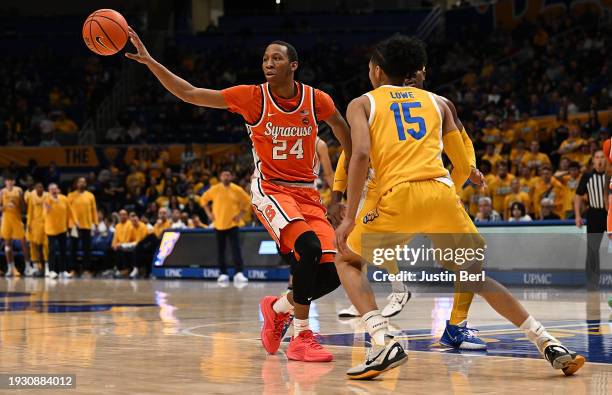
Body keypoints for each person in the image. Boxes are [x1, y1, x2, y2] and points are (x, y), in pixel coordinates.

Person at [334, 35, 584, 380]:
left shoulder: (361, 103)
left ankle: (382, 339)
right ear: (415, 70)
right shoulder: (440, 103)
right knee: (475, 278)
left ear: (376, 71)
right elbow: (464, 165)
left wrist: (349, 216)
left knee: (346, 258)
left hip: (398, 196)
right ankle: (548, 342)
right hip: (442, 192)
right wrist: (444, 191)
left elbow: (358, 154)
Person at [126, 28, 351, 361]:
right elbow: (190, 93)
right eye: (265, 59)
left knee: (332, 275)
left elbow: (343, 130)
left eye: (276, 58)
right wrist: (151, 62)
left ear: (294, 65)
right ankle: (302, 337)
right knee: (308, 247)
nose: (268, 63)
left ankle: (276, 308)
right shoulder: (251, 96)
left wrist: (344, 186)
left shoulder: (317, 99)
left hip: (306, 193)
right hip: (271, 188)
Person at [200, 170, 250, 284]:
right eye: (223, 175)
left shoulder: (237, 189)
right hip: (218, 224)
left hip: (233, 224)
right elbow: (203, 199)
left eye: (228, 175)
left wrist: (240, 215)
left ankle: (239, 273)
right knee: (220, 251)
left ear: (231, 177)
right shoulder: (215, 189)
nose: (226, 177)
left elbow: (248, 201)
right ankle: (223, 273)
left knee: (236, 249)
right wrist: (208, 213)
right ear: (220, 177)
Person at [574, 150, 609, 290]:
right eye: (597, 157)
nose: (599, 160)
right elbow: (578, 196)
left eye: (602, 157)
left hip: (610, 215)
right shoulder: (587, 176)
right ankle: (592, 283)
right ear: (593, 160)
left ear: (606, 160)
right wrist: (577, 215)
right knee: (593, 249)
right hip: (594, 214)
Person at [0, 174, 31, 276]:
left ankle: (27, 267)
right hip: (6, 221)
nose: (9, 182)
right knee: (7, 245)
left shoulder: (19, 190)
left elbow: (23, 208)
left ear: (14, 182)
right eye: (8, 180)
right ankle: (11, 268)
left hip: (17, 220)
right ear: (5, 182)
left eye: (11, 180)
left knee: (24, 243)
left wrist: (19, 202)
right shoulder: (2, 192)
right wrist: (5, 206)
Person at [67, 177, 98, 277]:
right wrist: (69, 224)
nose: (82, 184)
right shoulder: (71, 195)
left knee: (87, 249)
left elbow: (94, 210)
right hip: (74, 226)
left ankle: (87, 269)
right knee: (73, 248)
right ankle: (73, 269)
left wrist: (95, 223)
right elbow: (68, 211)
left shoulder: (90, 196)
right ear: (76, 184)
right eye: (80, 182)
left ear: (86, 184)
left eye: (84, 182)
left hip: (87, 225)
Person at [43, 183, 74, 279]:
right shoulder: (46, 200)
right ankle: (51, 270)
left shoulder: (64, 199)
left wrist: (73, 223)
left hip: (62, 228)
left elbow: (70, 211)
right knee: (52, 250)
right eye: (51, 189)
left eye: (55, 188)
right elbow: (43, 215)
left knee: (63, 250)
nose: (54, 190)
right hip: (51, 229)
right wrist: (47, 210)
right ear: (49, 191)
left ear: (58, 189)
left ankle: (63, 271)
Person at [26, 182, 48, 276]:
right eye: (37, 187)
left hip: (46, 224)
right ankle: (37, 267)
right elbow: (30, 211)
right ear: (35, 188)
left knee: (46, 246)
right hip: (35, 224)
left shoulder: (47, 195)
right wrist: (28, 224)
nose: (39, 188)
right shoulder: (31, 196)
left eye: (41, 187)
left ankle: (47, 268)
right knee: (34, 246)